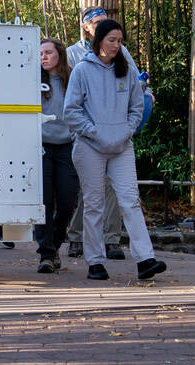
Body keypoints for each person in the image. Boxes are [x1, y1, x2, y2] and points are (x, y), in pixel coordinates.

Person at [63, 19, 167, 281]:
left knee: (130, 201)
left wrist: (126, 131)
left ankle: (145, 260)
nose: (116, 45)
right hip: (89, 147)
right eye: (112, 40)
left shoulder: (128, 71)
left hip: (121, 146)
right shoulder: (81, 71)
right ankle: (95, 262)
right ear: (98, 41)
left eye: (119, 41)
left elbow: (137, 107)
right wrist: (95, 132)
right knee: (94, 204)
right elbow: (71, 112)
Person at [35, 38, 79, 273]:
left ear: (59, 55)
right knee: (44, 202)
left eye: (48, 52)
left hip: (67, 146)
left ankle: (55, 244)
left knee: (66, 203)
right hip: (41, 147)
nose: (43, 57)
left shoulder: (71, 79)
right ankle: (47, 255)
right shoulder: (32, 81)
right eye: (40, 53)